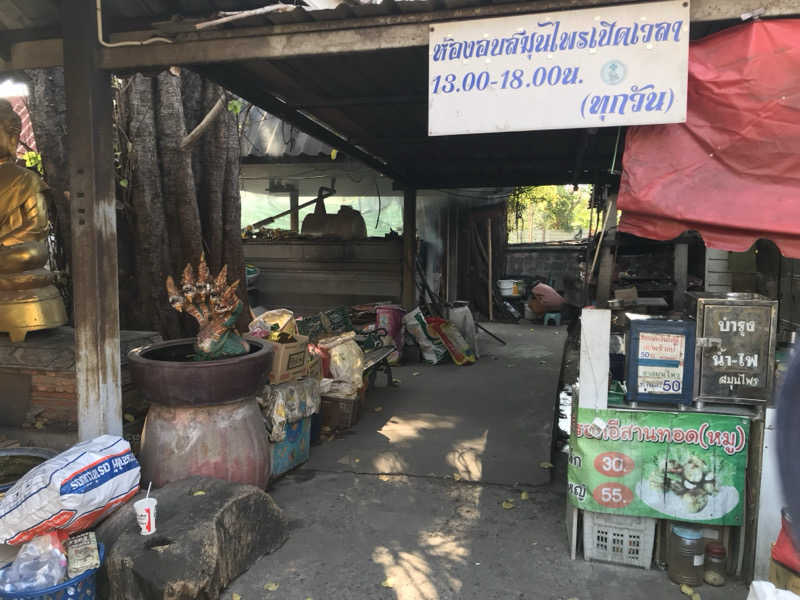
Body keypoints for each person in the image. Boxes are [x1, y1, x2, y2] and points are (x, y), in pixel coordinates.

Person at [0, 99, 66, 342]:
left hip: (14, 251)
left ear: (12, 137)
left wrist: (3, 241)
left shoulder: (26, 179)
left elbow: (37, 225)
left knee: (28, 254)